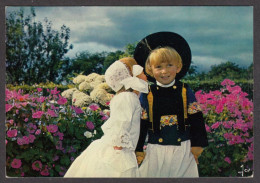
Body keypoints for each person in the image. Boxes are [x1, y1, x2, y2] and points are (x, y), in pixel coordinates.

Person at [134, 32, 208, 177]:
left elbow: (196, 118)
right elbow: (141, 122)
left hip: (183, 148)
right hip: (155, 149)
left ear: (178, 67)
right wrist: (138, 148)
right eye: (158, 67)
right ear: (150, 69)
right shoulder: (146, 93)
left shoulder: (185, 90)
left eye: (169, 65)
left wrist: (197, 144)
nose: (164, 71)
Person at [64, 57, 148, 177]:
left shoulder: (126, 96)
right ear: (132, 76)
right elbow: (122, 123)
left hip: (121, 149)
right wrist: (119, 151)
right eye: (142, 72)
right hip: (118, 152)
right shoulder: (127, 97)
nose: (145, 75)